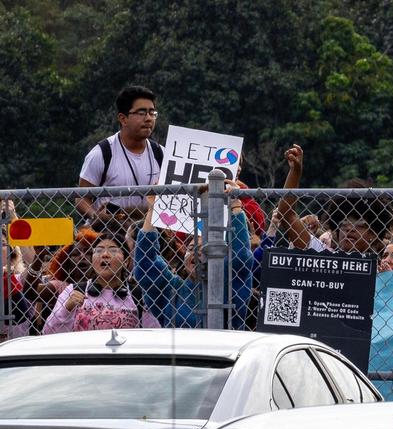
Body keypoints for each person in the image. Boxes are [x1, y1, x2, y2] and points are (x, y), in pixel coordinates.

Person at [134, 188, 254, 328]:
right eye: (190, 249)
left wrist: (235, 206)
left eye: (205, 249)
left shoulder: (230, 285)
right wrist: (154, 209)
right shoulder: (173, 290)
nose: (196, 252)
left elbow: (240, 258)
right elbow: (146, 266)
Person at [42, 228, 160, 334]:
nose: (105, 254)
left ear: (126, 261)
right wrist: (67, 308)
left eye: (113, 250)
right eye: (98, 250)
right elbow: (48, 332)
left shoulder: (139, 295)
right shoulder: (73, 291)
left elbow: (154, 335)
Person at [77, 85, 163, 220]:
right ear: (123, 119)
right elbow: (81, 199)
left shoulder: (161, 154)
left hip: (150, 229)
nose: (148, 118)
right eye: (141, 113)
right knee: (108, 243)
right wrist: (98, 217)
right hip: (111, 230)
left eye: (152, 113)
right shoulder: (102, 153)